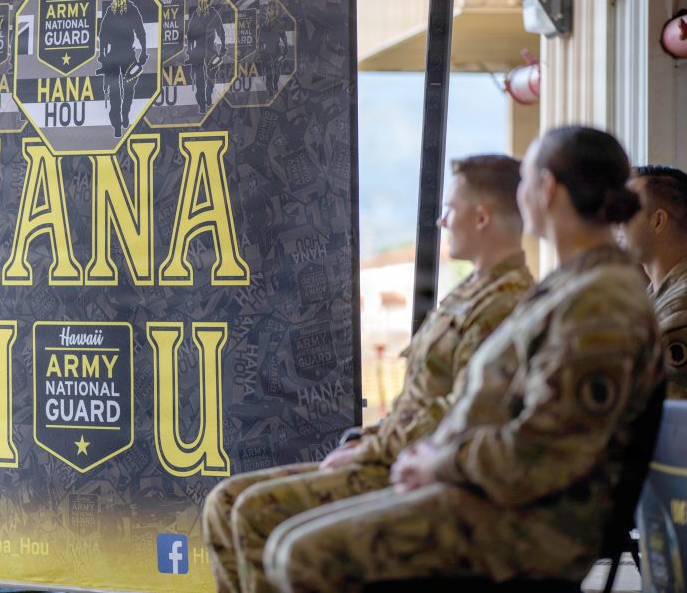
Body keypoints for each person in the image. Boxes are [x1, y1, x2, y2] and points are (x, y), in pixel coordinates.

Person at [265, 126, 664, 592]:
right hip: (489, 492)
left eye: (523, 181)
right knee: (285, 543)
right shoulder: (572, 287)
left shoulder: (601, 303)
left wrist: (440, 464)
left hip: (531, 525)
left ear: (547, 188)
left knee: (303, 555)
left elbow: (542, 454)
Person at [203, 155, 533, 593]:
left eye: (451, 208)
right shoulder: (474, 291)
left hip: (416, 472)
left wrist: (372, 449)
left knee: (251, 513)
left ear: (483, 216)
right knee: (222, 503)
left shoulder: (505, 305)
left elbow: (457, 416)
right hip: (389, 453)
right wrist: (368, 440)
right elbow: (420, 399)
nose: (442, 219)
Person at [622, 165, 687, 398]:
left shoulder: (681, 304)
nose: (618, 224)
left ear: (658, 221)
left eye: (627, 211)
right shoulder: (655, 294)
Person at [98, 0, 148, 138]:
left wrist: (143, 52)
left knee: (128, 88)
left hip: (128, 54)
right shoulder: (110, 11)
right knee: (113, 91)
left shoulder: (132, 10)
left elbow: (141, 32)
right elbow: (102, 34)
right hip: (113, 56)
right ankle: (116, 123)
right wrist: (102, 54)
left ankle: (125, 113)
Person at [186, 0, 225, 112]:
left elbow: (221, 31)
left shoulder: (214, 14)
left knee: (211, 78)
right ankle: (202, 104)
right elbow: (189, 33)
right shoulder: (196, 14)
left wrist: (223, 47)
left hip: (211, 51)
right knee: (199, 81)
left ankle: (208, 95)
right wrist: (190, 50)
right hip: (197, 53)